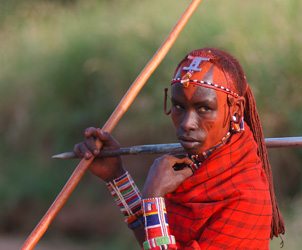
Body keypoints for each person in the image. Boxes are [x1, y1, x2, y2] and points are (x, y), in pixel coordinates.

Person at [74, 47, 285, 249]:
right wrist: (116, 177)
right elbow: (156, 240)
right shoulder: (194, 167)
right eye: (178, 107)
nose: (186, 123)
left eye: (204, 108)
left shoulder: (246, 194)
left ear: (235, 110)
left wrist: (154, 197)